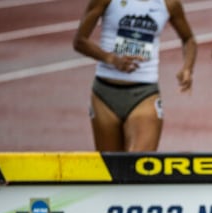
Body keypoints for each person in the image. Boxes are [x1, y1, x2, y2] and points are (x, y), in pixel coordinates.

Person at [73, 0, 197, 152]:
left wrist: (187, 68)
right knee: (110, 169)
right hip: (105, 94)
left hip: (144, 93)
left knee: (139, 166)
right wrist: (111, 59)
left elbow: (189, 39)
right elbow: (79, 41)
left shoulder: (168, 4)